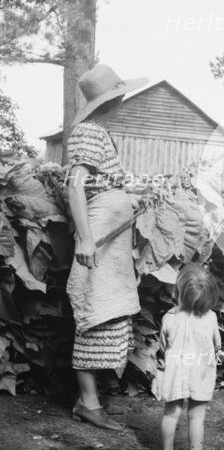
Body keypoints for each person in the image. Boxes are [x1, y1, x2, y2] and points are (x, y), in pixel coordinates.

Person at [67, 64, 148, 430]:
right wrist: (85, 238)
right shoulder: (87, 132)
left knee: (109, 314)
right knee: (93, 312)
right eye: (121, 95)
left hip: (110, 238)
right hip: (97, 237)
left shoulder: (100, 133)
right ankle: (87, 402)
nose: (124, 100)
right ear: (111, 98)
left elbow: (101, 184)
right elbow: (75, 186)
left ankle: (91, 400)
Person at [155, 263, 221, 450]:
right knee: (196, 416)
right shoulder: (211, 318)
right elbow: (217, 345)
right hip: (200, 371)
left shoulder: (169, 317)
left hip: (175, 371)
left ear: (178, 291)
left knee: (170, 413)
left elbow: (163, 344)